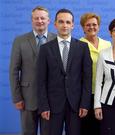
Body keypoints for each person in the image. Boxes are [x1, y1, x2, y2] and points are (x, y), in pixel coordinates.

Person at [37, 9, 92, 135]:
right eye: (61, 22)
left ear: (73, 25)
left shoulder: (82, 47)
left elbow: (87, 78)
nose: (64, 25)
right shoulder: (45, 49)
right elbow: (41, 80)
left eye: (68, 22)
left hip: (76, 105)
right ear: (55, 24)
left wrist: (84, 103)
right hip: (52, 105)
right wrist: (44, 105)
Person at [9, 6, 56, 135]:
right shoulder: (20, 41)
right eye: (36, 18)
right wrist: (16, 97)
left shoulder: (57, 40)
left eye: (43, 18)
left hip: (50, 100)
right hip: (27, 98)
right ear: (32, 20)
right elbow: (13, 71)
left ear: (48, 21)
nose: (39, 21)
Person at [79, 12, 111, 135]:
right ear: (83, 27)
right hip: (86, 95)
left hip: (105, 94)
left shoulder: (107, 44)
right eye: (88, 25)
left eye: (94, 24)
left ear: (98, 26)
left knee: (104, 128)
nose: (91, 27)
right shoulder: (79, 45)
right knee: (87, 129)